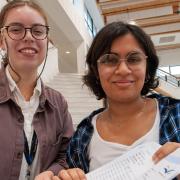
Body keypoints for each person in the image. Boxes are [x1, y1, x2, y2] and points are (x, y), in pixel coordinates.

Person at [57, 21, 180, 180]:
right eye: (109, 59)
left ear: (147, 68)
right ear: (96, 70)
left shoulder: (175, 115)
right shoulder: (83, 134)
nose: (123, 70)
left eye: (134, 59)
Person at [0, 1, 73, 180]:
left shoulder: (58, 103)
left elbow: (65, 155)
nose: (29, 37)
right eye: (16, 29)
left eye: (38, 31)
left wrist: (51, 173)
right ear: (2, 40)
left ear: (46, 41)